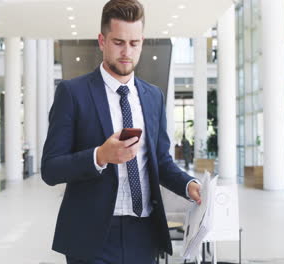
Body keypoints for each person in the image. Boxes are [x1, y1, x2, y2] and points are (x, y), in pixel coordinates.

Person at [41, 0, 201, 263]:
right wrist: (99, 156)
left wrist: (188, 184)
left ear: (142, 42)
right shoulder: (73, 93)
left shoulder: (153, 96)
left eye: (134, 43)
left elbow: (160, 161)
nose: (127, 51)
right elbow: (50, 169)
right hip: (92, 237)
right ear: (102, 41)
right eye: (118, 42)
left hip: (144, 234)